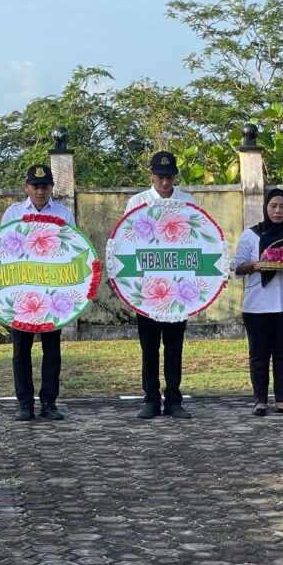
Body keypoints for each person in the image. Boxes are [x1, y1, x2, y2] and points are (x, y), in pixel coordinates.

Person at [124, 152, 197, 419]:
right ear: (151, 175)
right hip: (146, 290)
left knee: (175, 346)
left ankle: (174, 399)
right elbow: (126, 241)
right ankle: (151, 399)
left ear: (175, 176)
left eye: (169, 177)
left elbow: (197, 242)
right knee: (150, 347)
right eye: (160, 177)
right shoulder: (137, 203)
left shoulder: (188, 202)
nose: (165, 182)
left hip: (178, 289)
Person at [0, 164, 74, 421]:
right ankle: (24, 403)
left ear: (52, 187)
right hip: (22, 293)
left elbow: (72, 250)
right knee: (21, 351)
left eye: (45, 186)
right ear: (26, 187)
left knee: (52, 350)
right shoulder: (13, 213)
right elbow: (2, 250)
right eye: (35, 186)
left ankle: (49, 402)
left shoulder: (64, 214)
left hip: (53, 295)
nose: (40, 191)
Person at [233, 188, 283, 416]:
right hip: (257, 305)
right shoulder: (250, 235)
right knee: (259, 354)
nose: (278, 211)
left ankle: (282, 400)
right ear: (265, 207)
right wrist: (257, 265)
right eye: (273, 206)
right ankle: (260, 401)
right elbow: (237, 267)